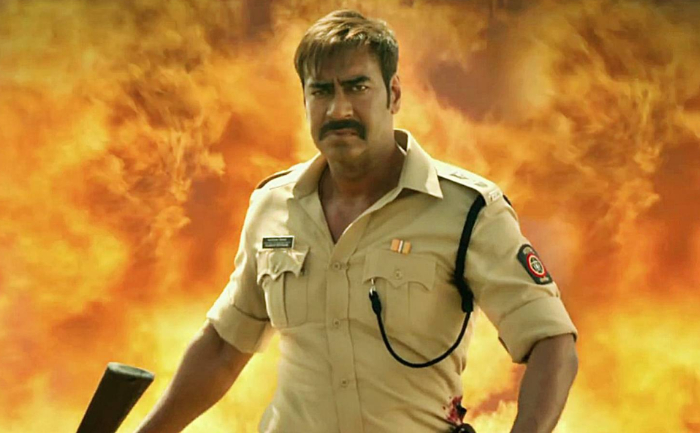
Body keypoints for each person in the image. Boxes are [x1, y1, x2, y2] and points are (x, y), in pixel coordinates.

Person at [135, 9, 578, 433]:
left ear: (394, 94)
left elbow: (551, 342)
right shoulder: (274, 206)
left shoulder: (468, 210)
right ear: (305, 100)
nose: (338, 110)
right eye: (321, 91)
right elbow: (222, 349)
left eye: (357, 87)